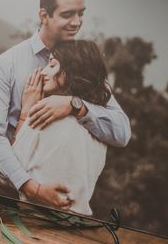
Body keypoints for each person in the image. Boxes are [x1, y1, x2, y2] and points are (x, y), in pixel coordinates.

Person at [0, 0, 131, 211]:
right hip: (3, 185)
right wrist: (32, 188)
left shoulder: (83, 67)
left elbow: (121, 132)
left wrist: (75, 105)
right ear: (43, 15)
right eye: (68, 14)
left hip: (60, 194)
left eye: (81, 14)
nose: (77, 22)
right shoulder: (6, 65)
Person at [12, 40, 110, 215]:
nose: (43, 72)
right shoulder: (100, 133)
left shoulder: (44, 116)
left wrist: (25, 112)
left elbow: (7, 173)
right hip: (75, 225)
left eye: (51, 65)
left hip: (32, 221)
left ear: (69, 72)